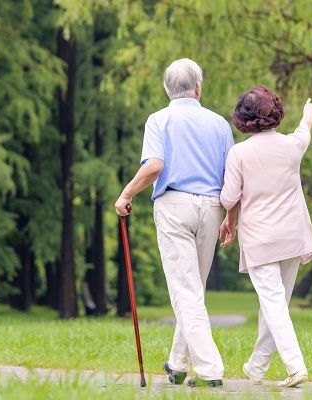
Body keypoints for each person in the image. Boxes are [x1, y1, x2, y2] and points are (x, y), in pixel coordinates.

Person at [114, 58, 234, 388]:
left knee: (186, 292)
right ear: (198, 88)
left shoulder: (159, 120)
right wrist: (230, 217)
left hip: (174, 206)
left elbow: (154, 166)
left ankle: (210, 370)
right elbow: (231, 177)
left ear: (167, 90)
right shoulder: (220, 124)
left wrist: (126, 194)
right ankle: (178, 365)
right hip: (212, 207)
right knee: (193, 290)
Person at [219, 86, 312, 388]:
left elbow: (228, 198)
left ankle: (295, 365)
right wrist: (307, 112)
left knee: (273, 304)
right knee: (275, 304)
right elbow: (305, 129)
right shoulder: (292, 146)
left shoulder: (239, 153)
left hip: (261, 240)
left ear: (243, 117)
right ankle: (257, 366)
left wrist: (229, 215)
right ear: (274, 112)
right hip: (293, 237)